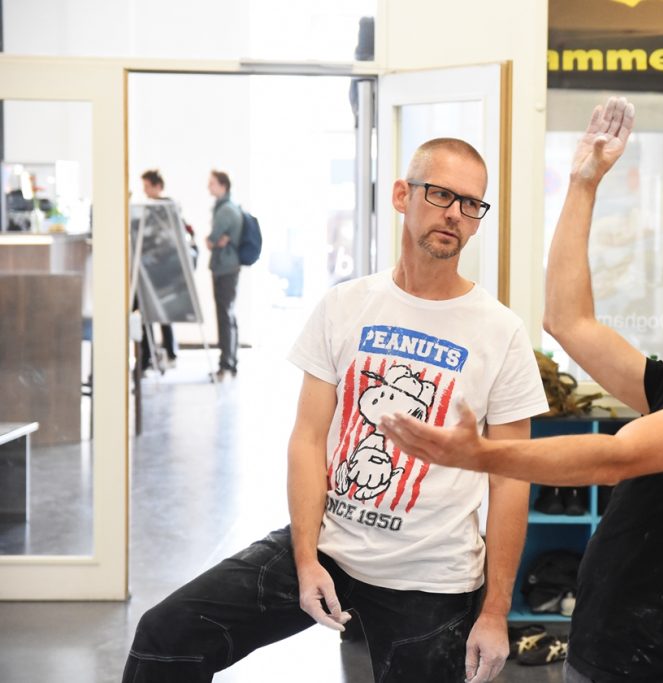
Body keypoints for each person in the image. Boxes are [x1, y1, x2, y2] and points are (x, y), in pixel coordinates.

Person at [380, 98, 663, 683]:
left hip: (653, 663)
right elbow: (568, 321)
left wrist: (478, 453)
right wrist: (584, 182)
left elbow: (615, 457)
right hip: (610, 645)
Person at [122, 138, 550, 683]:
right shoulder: (345, 305)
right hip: (329, 546)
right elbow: (307, 438)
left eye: (471, 204)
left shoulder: (501, 332)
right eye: (441, 193)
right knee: (167, 636)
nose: (454, 214)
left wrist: (494, 612)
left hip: (433, 579)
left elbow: (511, 479)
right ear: (402, 194)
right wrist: (304, 560)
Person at [137, 169, 194, 372]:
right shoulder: (152, 209)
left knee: (162, 313)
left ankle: (167, 354)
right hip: (150, 270)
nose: (145, 191)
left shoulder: (166, 209)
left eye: (147, 186)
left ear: (157, 186)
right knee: (151, 314)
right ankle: (154, 355)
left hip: (162, 271)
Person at [206, 169, 243, 380]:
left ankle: (226, 364)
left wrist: (213, 240)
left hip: (225, 268)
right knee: (228, 313)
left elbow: (211, 240)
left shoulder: (225, 211)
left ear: (223, 185)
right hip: (228, 267)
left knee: (224, 315)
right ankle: (230, 362)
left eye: (211, 183)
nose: (208, 187)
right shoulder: (228, 208)